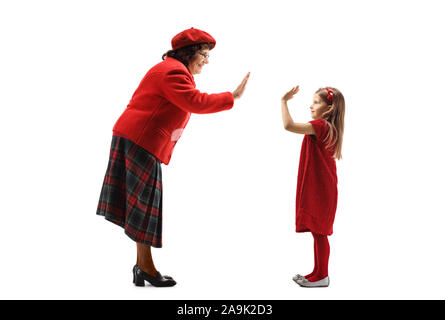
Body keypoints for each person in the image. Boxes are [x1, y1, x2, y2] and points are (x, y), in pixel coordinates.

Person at [96, 27, 250, 287]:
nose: (206, 60)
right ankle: (145, 266)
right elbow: (196, 102)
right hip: (140, 140)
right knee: (144, 206)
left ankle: (142, 266)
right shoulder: (173, 72)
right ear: (189, 53)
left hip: (138, 139)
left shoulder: (171, 69)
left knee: (142, 206)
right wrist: (231, 97)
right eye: (203, 54)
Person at [281, 85, 345, 288]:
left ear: (329, 108)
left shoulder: (321, 126)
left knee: (320, 233)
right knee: (318, 233)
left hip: (322, 189)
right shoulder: (326, 127)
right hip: (322, 186)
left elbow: (289, 126)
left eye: (316, 102)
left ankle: (322, 275)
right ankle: (317, 272)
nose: (311, 105)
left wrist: (283, 101)